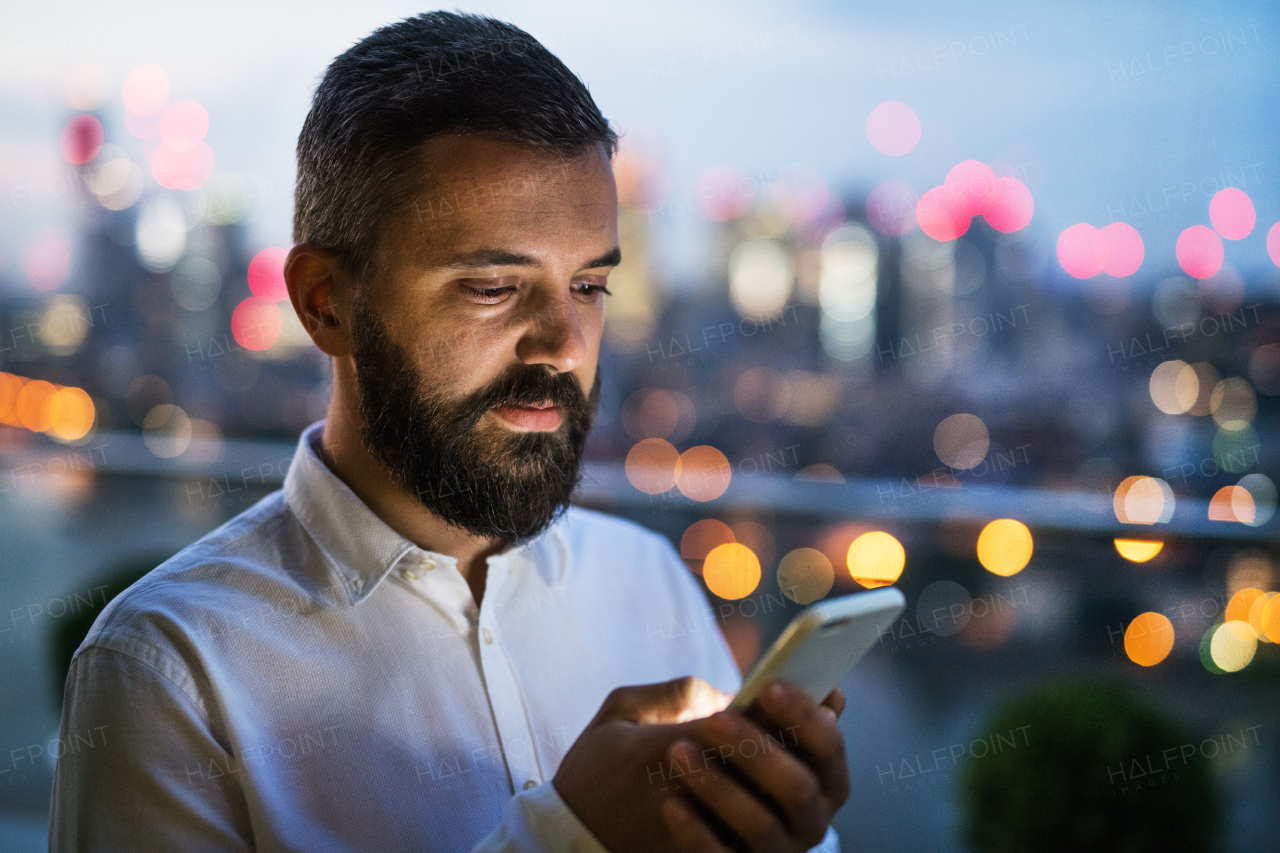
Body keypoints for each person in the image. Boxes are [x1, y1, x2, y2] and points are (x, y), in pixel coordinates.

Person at [51, 12, 848, 852]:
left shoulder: (651, 585)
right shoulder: (169, 674)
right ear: (326, 301)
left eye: (587, 285)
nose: (564, 345)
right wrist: (569, 836)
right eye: (494, 285)